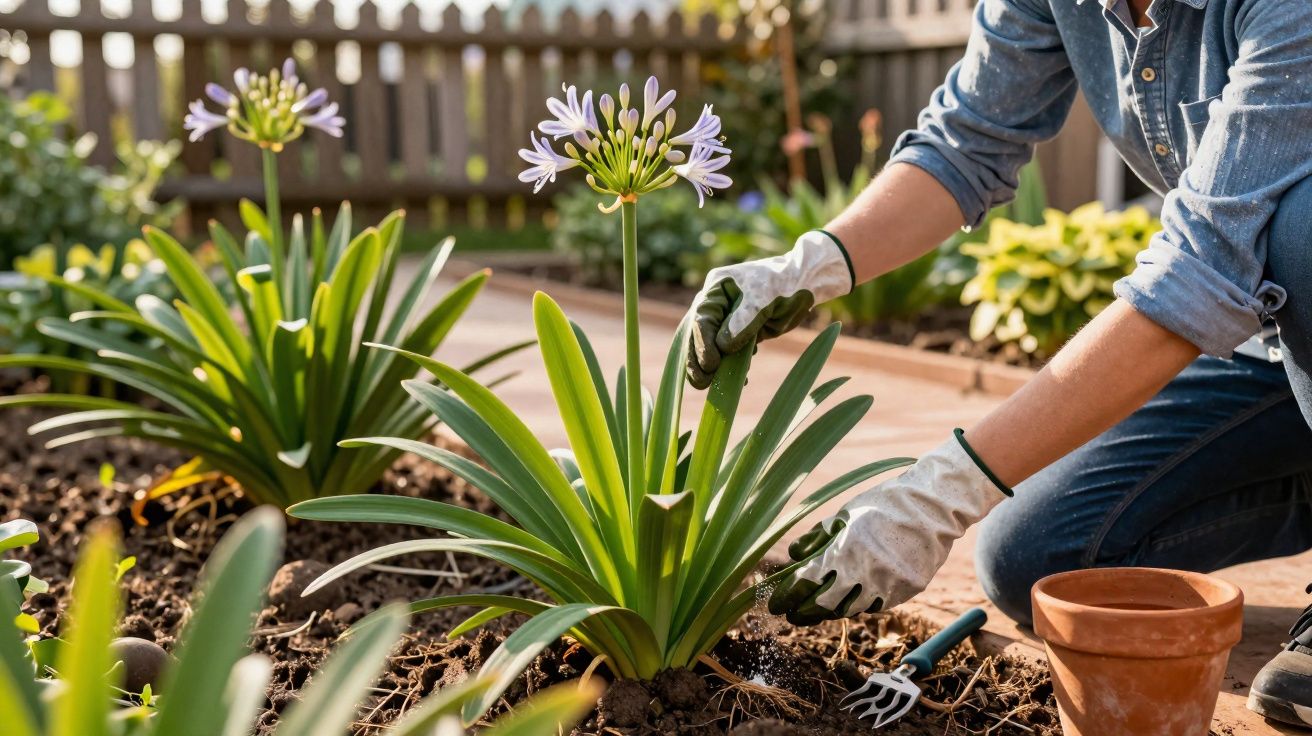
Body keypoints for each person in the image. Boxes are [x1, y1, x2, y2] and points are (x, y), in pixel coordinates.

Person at [685, 0, 1312, 726]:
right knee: (1038, 555)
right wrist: (813, 263)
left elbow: (1205, 266)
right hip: (1273, 342)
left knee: (1299, 229)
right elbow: (967, 142)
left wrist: (941, 491)